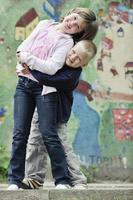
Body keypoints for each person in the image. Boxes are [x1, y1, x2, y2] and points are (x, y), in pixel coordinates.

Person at [8, 7, 98, 190]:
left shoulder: (68, 49)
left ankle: (71, 180)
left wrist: (30, 67)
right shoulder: (47, 26)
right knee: (29, 137)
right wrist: (24, 59)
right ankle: (29, 178)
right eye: (73, 18)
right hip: (28, 88)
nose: (71, 23)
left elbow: (50, 71)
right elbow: (24, 48)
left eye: (77, 25)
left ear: (78, 33)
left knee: (54, 137)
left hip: (52, 100)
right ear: (70, 13)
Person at [21, 40, 97, 189]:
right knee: (35, 140)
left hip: (58, 112)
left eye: (79, 59)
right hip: (41, 107)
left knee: (62, 145)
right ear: (71, 48)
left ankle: (77, 179)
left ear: (84, 64)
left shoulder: (72, 75)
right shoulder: (58, 57)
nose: (73, 57)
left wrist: (31, 71)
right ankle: (33, 177)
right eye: (74, 52)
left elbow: (48, 78)